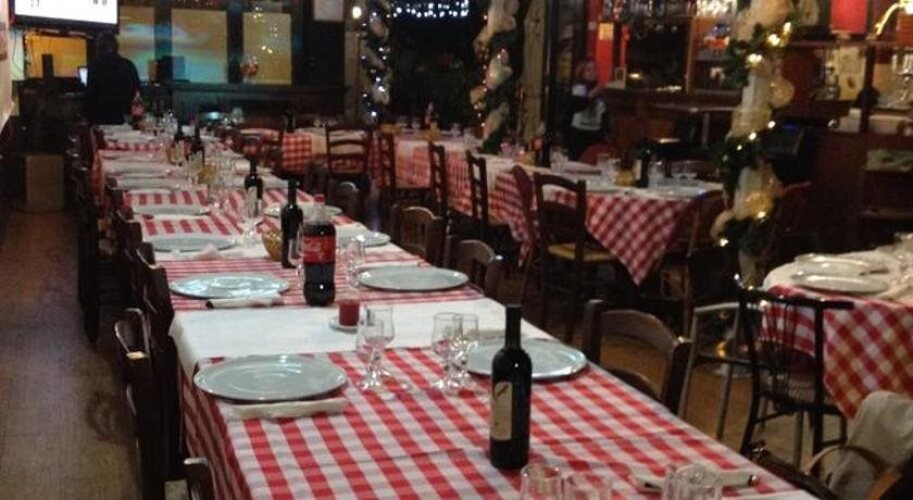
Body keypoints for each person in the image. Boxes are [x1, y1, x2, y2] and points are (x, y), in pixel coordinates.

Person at [85, 32, 141, 125]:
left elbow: (90, 95)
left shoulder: (95, 65)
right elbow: (137, 93)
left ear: (99, 48)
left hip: (100, 118)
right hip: (124, 118)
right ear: (116, 47)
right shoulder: (128, 65)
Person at [564, 59, 607, 161]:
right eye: (588, 70)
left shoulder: (600, 90)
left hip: (595, 134)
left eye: (594, 69)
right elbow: (577, 105)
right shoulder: (579, 88)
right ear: (582, 73)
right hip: (579, 134)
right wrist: (592, 94)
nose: (592, 72)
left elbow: (603, 112)